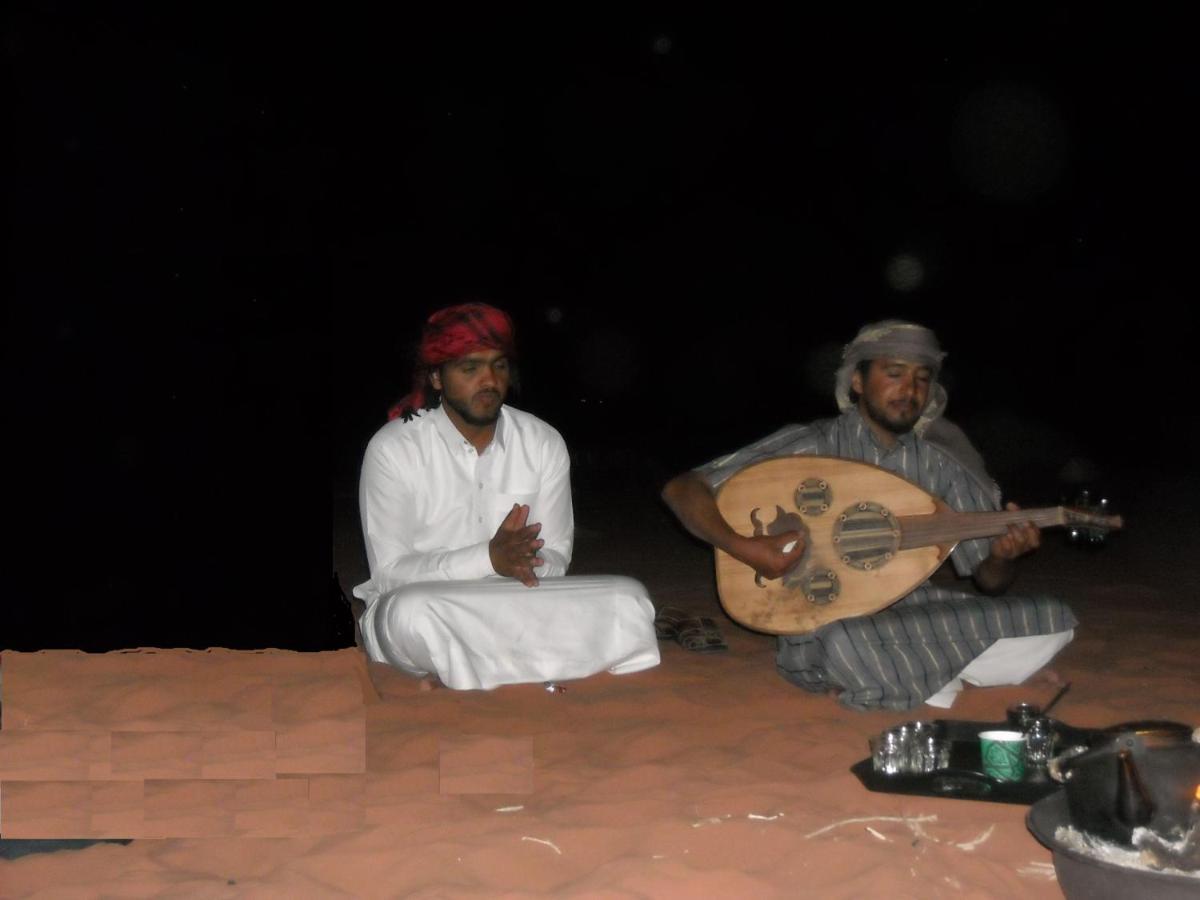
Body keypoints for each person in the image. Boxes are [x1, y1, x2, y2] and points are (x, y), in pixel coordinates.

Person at [661, 320, 1077, 711]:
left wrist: (1004, 557)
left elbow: (989, 581)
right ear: (857, 381)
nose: (909, 389)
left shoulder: (942, 466)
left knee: (1054, 617)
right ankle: (940, 668)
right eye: (894, 373)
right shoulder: (811, 444)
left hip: (915, 611)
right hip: (825, 619)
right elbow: (682, 488)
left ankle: (923, 672)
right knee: (847, 640)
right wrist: (744, 548)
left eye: (921, 378)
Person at [353, 302, 660, 690]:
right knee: (412, 614)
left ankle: (471, 666)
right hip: (431, 603)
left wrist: (524, 562)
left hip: (517, 599)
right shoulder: (394, 448)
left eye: (498, 366)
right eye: (470, 368)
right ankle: (531, 660)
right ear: (436, 377)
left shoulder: (542, 442)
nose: (489, 380)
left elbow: (557, 557)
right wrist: (488, 558)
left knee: (629, 599)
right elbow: (390, 573)